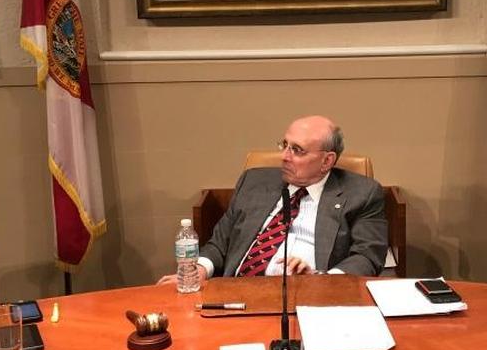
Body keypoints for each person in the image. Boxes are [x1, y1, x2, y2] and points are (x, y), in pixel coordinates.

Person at [159, 115, 388, 285]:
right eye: (284, 145)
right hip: (235, 295)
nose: (284, 157)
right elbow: (220, 242)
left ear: (327, 161)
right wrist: (201, 268)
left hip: (308, 301)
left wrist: (323, 281)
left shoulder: (361, 193)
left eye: (297, 150)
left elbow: (367, 257)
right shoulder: (254, 182)